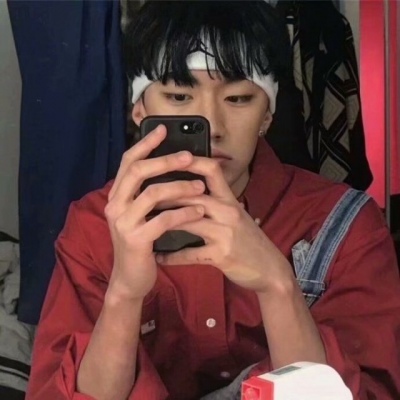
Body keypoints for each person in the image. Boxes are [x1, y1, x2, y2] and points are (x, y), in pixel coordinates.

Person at [26, 1, 400, 399]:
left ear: (268, 114)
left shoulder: (344, 225)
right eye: (178, 97)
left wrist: (277, 286)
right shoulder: (94, 225)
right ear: (140, 110)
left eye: (238, 99)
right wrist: (123, 295)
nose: (213, 126)